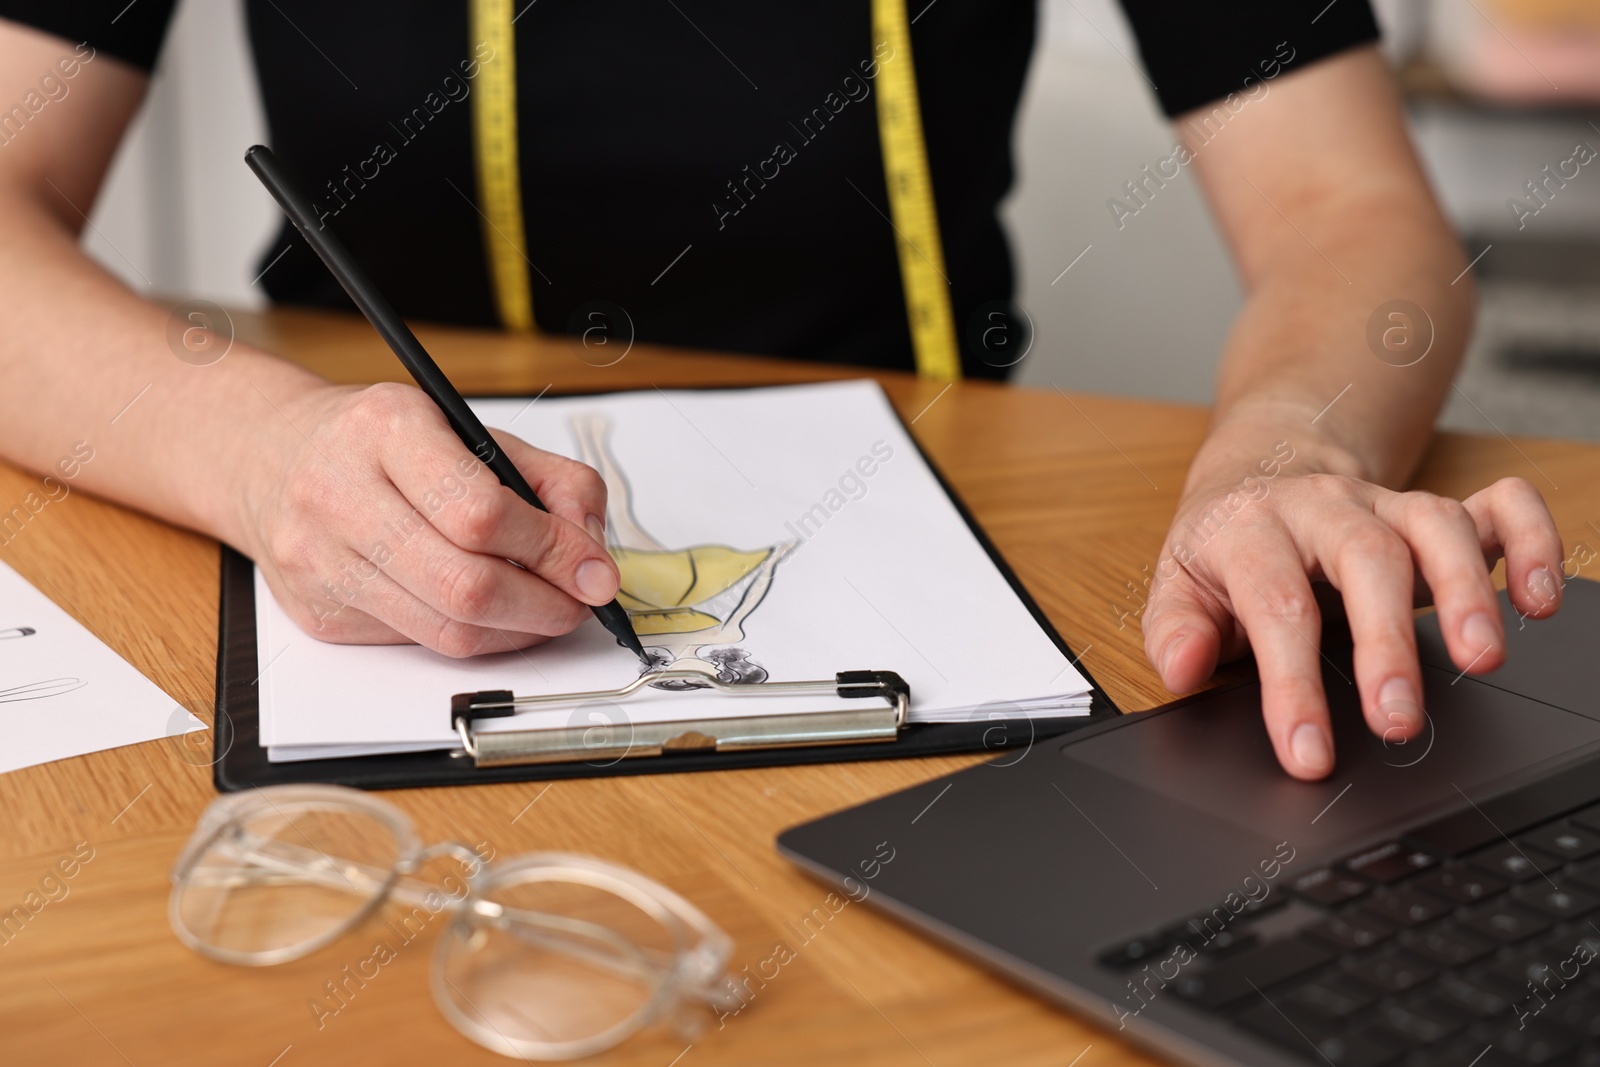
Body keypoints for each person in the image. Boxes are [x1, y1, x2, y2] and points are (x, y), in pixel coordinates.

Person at [0, 1, 1566, 781]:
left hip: (970, 535)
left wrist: (1281, 448)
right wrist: (263, 453)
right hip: (327, 557)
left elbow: (1350, 211)